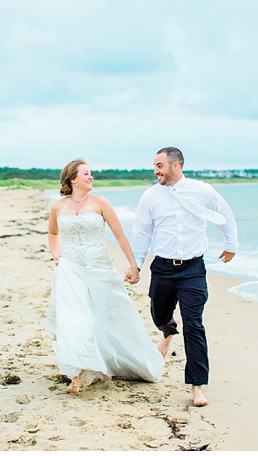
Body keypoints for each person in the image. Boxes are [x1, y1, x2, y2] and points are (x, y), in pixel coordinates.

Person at [130, 147, 238, 407]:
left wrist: (231, 244)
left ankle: (197, 387)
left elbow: (225, 215)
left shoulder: (202, 190)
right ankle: (167, 333)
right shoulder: (150, 196)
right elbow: (142, 232)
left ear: (175, 165)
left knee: (194, 325)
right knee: (159, 313)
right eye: (155, 166)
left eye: (159, 166)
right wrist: (135, 265)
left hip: (193, 269)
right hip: (163, 268)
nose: (155, 171)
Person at [45, 158, 165, 394]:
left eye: (91, 174)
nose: (91, 177)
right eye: (86, 174)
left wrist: (133, 265)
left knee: (106, 317)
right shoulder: (58, 207)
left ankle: (105, 364)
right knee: (78, 319)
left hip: (99, 267)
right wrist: (56, 254)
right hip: (70, 269)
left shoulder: (100, 203)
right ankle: (79, 374)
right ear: (73, 179)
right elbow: (52, 232)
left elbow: (120, 236)